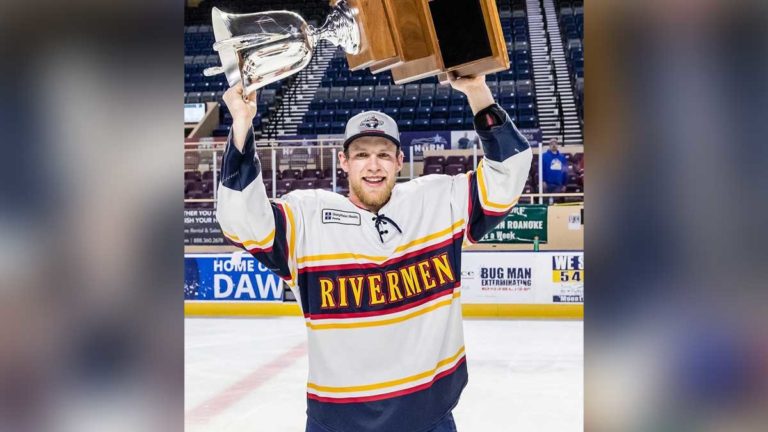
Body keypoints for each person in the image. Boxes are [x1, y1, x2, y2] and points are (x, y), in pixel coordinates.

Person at [216, 75, 532, 432]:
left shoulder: (439, 201)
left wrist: (477, 91)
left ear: (399, 161)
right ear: (344, 162)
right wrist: (241, 123)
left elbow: (508, 175)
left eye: (383, 154)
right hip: (337, 424)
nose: (373, 165)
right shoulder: (306, 219)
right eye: (361, 155)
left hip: (429, 418)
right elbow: (239, 218)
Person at [541, 138, 568, 204]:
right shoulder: (544, 156)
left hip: (558, 185)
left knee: (556, 204)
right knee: (546, 203)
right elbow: (541, 169)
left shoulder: (562, 157)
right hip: (547, 184)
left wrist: (565, 184)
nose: (554, 145)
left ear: (557, 145)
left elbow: (565, 171)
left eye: (555, 143)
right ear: (549, 145)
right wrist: (543, 181)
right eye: (552, 144)